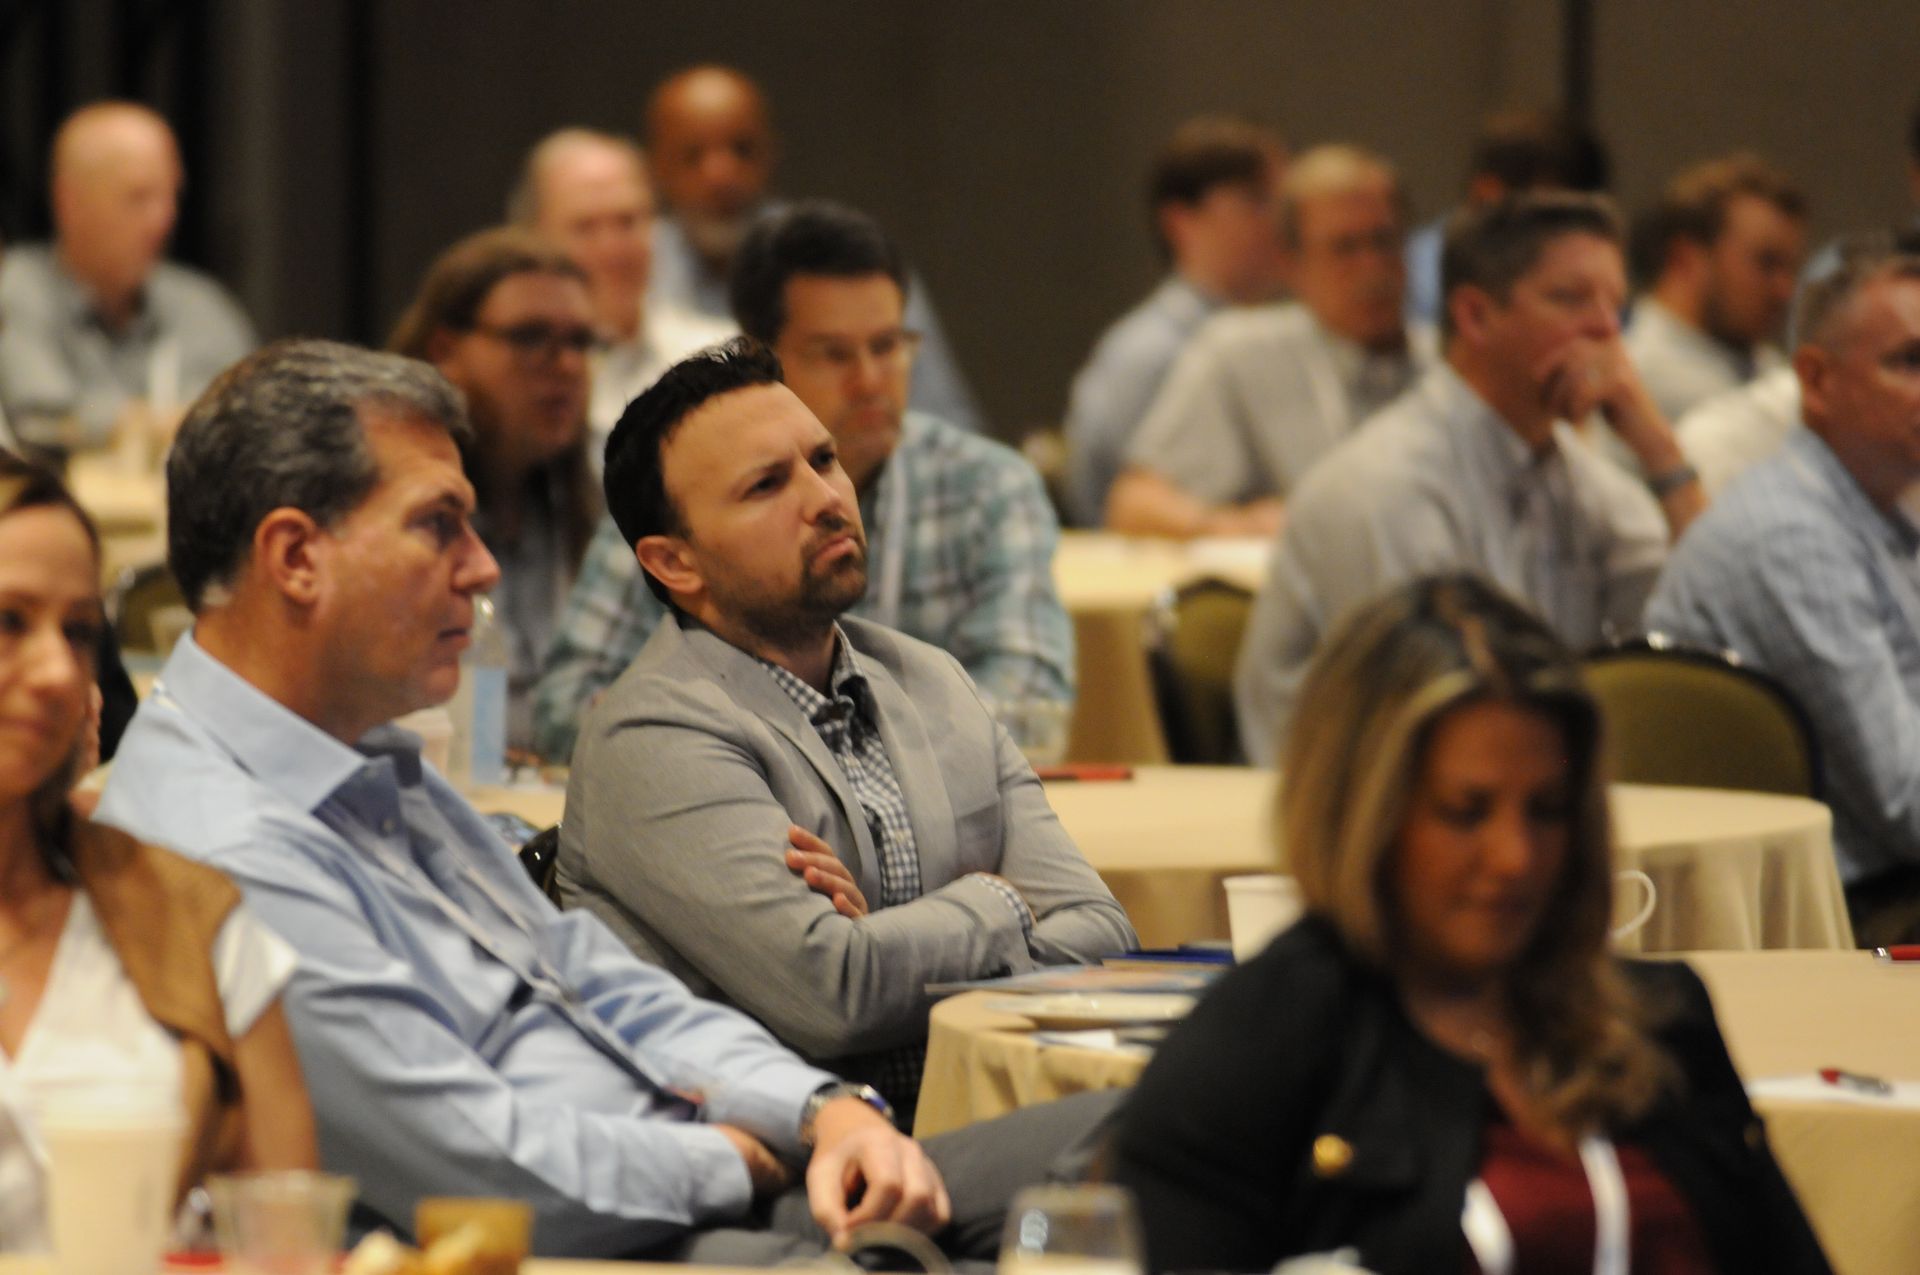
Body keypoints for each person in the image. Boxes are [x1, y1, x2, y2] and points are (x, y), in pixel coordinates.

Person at [95, 338, 1105, 1261]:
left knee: (1173, 1124)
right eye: (439, 527)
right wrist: (747, 1156)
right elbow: (481, 1169)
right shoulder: (216, 839)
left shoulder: (366, 761)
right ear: (295, 559)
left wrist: (818, 1111)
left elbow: (597, 980)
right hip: (583, 1241)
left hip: (711, 1166)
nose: (484, 569)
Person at [1110, 573, 1832, 1275]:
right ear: (1367, 814)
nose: (1516, 857)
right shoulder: (1258, 1052)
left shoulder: (1657, 1021)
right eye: (1466, 812)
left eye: (1547, 810)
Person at [558, 339, 1135, 1125]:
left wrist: (894, 937)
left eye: (823, 460)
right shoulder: (655, 732)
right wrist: (1000, 900)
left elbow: (1103, 932)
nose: (826, 497)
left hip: (956, 1122)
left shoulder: (931, 680)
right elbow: (836, 993)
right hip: (796, 1173)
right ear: (675, 562)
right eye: (766, 484)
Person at [535, 202, 1072, 763]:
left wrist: (807, 751)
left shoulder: (987, 486)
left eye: (887, 347)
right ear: (757, 351)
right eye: (833, 353)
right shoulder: (689, 483)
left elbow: (1029, 711)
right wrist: (780, 757)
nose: (870, 382)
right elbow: (570, 709)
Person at [1234, 192, 1701, 761]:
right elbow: (1444, 718)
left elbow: (1690, 660)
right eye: (1571, 299)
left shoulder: (1578, 478)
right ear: (1475, 315)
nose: (1606, 331)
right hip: (1352, 820)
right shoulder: (1385, 487)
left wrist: (1661, 453)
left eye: (1615, 306)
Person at [0, 451, 315, 1251]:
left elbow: (287, 1241)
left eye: (78, 632)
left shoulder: (189, 907)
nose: (56, 671)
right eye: (8, 621)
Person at [1647, 246, 1920, 946]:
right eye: (1910, 362)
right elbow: (1905, 804)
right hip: (1830, 915)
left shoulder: (1881, 509)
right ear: (1817, 380)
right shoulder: (1791, 536)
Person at [1105, 145, 1434, 539]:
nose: (1371, 267)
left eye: (1384, 241)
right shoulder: (1240, 353)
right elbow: (1135, 504)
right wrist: (1234, 527)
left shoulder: (1451, 358)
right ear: (1290, 263)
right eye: (1344, 248)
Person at [643, 64, 984, 432]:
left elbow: (945, 421)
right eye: (693, 155)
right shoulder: (634, 272)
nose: (720, 174)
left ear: (771, 153)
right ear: (656, 167)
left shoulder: (843, 255)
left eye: (742, 149)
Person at [389, 227, 601, 757]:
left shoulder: (597, 504)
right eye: (532, 338)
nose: (566, 365)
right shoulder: (388, 511)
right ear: (445, 349)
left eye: (579, 341)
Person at [1061, 115, 1287, 526]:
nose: (1280, 222)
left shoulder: (1283, 338)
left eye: (1282, 203)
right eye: (1255, 201)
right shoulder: (1148, 353)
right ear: (1181, 221)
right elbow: (1117, 509)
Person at [0, 102, 255, 460]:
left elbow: (249, 425)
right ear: (68, 202)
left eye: (172, 196)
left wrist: (127, 425)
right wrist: (162, 425)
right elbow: (39, 418)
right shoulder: (15, 289)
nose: (164, 219)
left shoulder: (202, 304)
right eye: (139, 197)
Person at [506, 129, 732, 448]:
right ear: (532, 240)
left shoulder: (720, 357)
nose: (613, 250)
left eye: (627, 221)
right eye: (586, 227)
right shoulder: (509, 382)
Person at [1624, 153, 1808, 423]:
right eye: (1765, 263)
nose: (1785, 291)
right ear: (1685, 259)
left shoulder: (1768, 365)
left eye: (1790, 268)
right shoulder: (1636, 371)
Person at [1404, 107, 1611, 326]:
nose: (1567, 237)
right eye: (1549, 220)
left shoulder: (1595, 276)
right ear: (1488, 195)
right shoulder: (1416, 280)